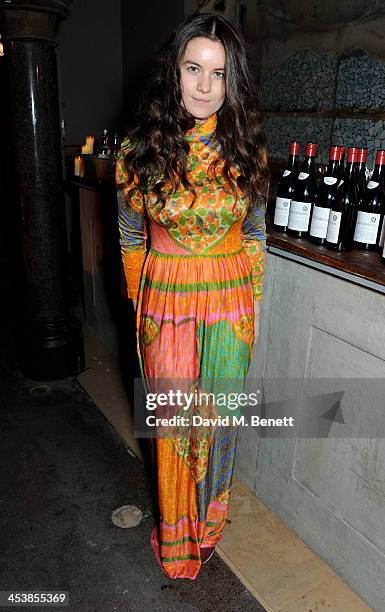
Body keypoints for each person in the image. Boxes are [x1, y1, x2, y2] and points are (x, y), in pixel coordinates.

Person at [115, 12, 269, 580]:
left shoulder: (247, 148)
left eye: (219, 74)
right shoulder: (140, 151)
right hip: (167, 304)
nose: (205, 87)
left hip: (230, 305)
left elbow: (255, 236)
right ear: (173, 72)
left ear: (233, 83)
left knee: (220, 422)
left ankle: (209, 527)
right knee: (177, 426)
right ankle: (177, 538)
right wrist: (142, 306)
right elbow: (131, 237)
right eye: (193, 69)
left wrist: (250, 306)